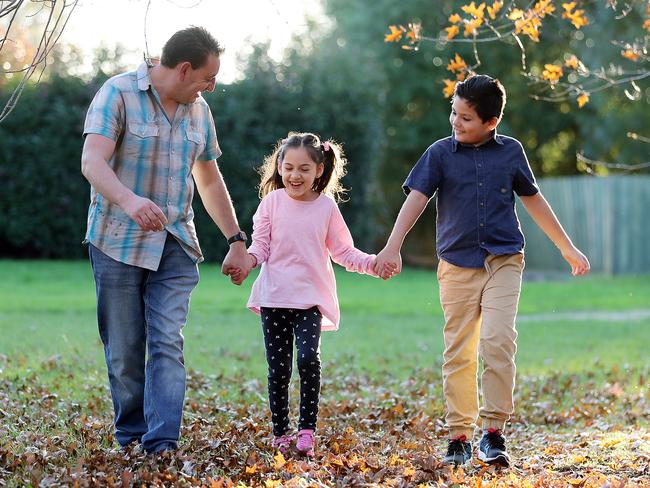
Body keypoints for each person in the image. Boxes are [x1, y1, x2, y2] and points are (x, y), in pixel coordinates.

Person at [374, 74, 590, 468]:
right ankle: (459, 436)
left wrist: (567, 247)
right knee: (458, 351)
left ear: (491, 122)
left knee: (497, 340)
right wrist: (393, 246)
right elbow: (417, 199)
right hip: (457, 265)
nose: (456, 122)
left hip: (504, 260)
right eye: (453, 113)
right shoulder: (440, 153)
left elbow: (534, 201)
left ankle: (493, 432)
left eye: (466, 118)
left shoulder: (511, 153)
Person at [80, 26, 252, 454]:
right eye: (207, 78)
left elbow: (209, 180)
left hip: (177, 243)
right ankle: (131, 435)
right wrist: (129, 200)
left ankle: (161, 444)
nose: (212, 86)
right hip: (117, 241)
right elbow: (91, 161)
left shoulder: (199, 111)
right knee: (124, 349)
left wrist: (235, 238)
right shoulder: (117, 94)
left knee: (166, 342)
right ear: (184, 68)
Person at [238, 132, 394, 458]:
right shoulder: (271, 203)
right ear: (279, 167)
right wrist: (246, 261)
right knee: (279, 370)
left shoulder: (326, 208)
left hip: (310, 300)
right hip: (275, 299)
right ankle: (281, 433)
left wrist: (373, 264)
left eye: (304, 169)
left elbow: (344, 252)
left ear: (319, 170)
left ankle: (306, 430)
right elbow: (260, 246)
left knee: (309, 360)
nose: (295, 175)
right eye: (289, 167)